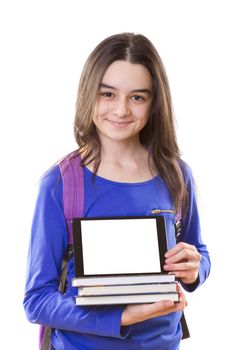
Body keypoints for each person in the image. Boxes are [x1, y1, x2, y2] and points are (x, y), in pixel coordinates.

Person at [24, 32, 210, 350]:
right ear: (88, 94)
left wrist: (195, 269)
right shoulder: (60, 184)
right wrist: (122, 317)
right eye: (107, 94)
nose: (121, 110)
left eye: (137, 97)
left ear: (154, 103)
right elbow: (37, 301)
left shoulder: (177, 175)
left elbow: (199, 254)